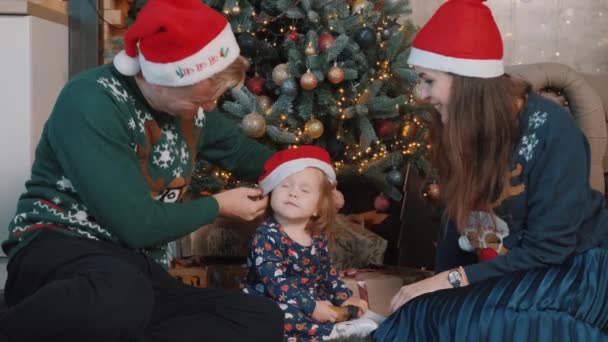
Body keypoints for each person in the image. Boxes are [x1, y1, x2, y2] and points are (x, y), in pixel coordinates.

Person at [0, 1, 286, 341]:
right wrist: (218, 206)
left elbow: (245, 154)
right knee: (121, 294)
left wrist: (317, 176)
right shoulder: (90, 100)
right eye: (199, 100)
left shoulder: (189, 107)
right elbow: (138, 225)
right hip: (58, 247)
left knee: (258, 317)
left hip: (129, 266)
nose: (210, 108)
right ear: (161, 80)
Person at [374, 0, 608, 340]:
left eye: (428, 81)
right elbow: (458, 222)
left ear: (466, 83)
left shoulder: (551, 130)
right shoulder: (457, 127)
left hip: (574, 267)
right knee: (421, 312)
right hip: (505, 268)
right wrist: (437, 285)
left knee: (486, 323)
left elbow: (551, 248)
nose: (420, 95)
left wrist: (451, 280)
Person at [242, 146, 382, 341]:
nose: (293, 193)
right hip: (271, 299)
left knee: (331, 303)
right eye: (284, 186)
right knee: (280, 315)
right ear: (271, 193)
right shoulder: (266, 235)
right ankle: (330, 333)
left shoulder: (316, 237)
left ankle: (352, 320)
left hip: (310, 300)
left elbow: (327, 274)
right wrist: (312, 306)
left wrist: (344, 296)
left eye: (304, 190)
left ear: (317, 208)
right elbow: (276, 283)